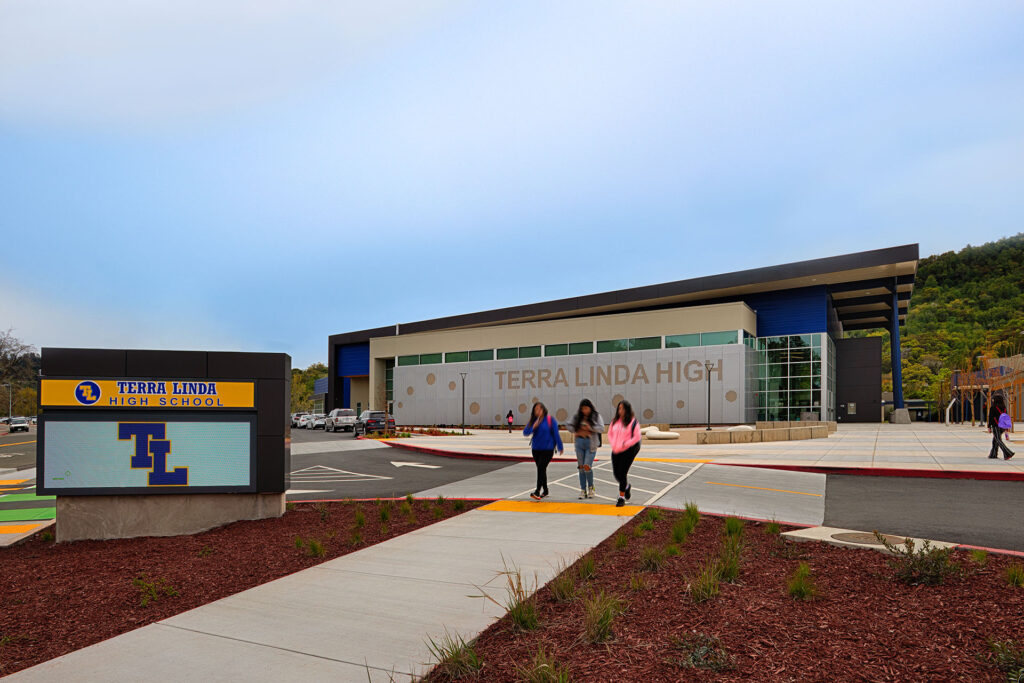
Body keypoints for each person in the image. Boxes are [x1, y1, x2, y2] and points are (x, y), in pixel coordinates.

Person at [523, 402, 563, 500]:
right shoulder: (533, 421)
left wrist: (560, 446)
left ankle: (537, 491)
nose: (538, 411)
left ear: (543, 409)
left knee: (541, 468)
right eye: (536, 410)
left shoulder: (550, 420)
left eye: (539, 409)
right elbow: (525, 433)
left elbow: (556, 434)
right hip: (536, 449)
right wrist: (533, 427)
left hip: (548, 449)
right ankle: (545, 490)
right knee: (541, 469)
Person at [566, 398, 604, 499]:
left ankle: (591, 487)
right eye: (583, 409)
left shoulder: (596, 416)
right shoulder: (577, 416)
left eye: (586, 408)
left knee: (587, 466)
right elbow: (568, 425)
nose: (585, 411)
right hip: (579, 443)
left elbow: (601, 428)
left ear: (590, 408)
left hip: (590, 444)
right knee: (581, 467)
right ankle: (583, 490)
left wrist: (590, 427)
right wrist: (576, 430)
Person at [608, 399, 641, 507]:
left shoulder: (633, 422)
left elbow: (637, 437)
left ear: (627, 409)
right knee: (616, 474)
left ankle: (621, 497)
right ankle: (626, 487)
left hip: (628, 450)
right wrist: (614, 444)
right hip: (616, 450)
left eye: (622, 408)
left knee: (622, 473)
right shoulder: (614, 421)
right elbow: (610, 434)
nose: (620, 410)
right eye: (619, 408)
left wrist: (626, 444)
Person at [988, 396, 1015, 460]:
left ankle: (1008, 453)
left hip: (996, 426)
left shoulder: (993, 408)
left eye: (993, 399)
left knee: (998, 440)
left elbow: (991, 418)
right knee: (995, 440)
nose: (992, 400)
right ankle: (993, 454)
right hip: (1002, 426)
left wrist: (989, 426)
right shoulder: (1004, 408)